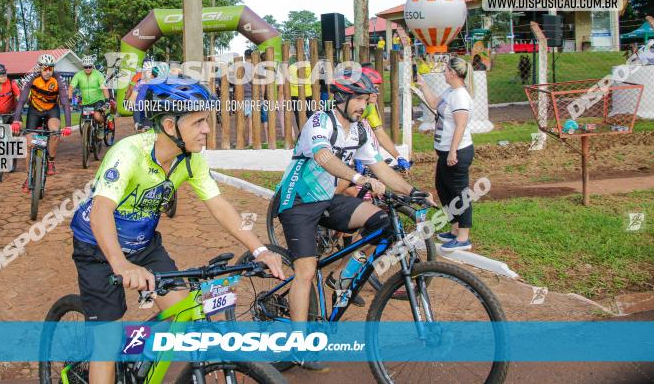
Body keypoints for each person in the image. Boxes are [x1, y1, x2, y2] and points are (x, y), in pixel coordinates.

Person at [69, 76, 285, 384]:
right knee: (106, 341)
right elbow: (101, 211)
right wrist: (120, 263)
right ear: (170, 126)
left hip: (143, 245)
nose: (207, 130)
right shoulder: (129, 152)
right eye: (198, 122)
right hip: (98, 247)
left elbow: (219, 204)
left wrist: (259, 249)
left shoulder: (191, 159)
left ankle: (136, 359)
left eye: (206, 121)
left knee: (183, 312)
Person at [275, 71, 434, 370]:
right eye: (359, 99)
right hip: (297, 202)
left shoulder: (359, 130)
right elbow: (323, 157)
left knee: (384, 224)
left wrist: (413, 191)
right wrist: (359, 178)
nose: (364, 106)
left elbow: (381, 169)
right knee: (306, 271)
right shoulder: (320, 122)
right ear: (343, 98)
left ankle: (342, 277)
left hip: (329, 199)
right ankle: (299, 347)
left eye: (366, 100)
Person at [415, 56, 475, 252]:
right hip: (445, 151)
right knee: (444, 188)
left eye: (446, 70)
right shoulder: (450, 91)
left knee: (460, 192)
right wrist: (423, 85)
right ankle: (455, 228)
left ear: (454, 73)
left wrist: (452, 151)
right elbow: (433, 103)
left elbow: (461, 124)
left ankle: (464, 237)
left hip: (457, 151)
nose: (444, 73)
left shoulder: (460, 96)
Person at [11, 54, 72, 185]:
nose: (48, 72)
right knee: (29, 144)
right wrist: (16, 120)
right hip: (35, 111)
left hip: (51, 110)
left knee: (55, 132)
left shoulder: (58, 79)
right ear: (39, 68)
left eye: (50, 69)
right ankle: (29, 177)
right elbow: (21, 101)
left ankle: (50, 160)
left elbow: (65, 103)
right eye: (45, 69)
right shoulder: (32, 78)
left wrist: (68, 125)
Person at [69, 56, 110, 132]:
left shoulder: (98, 74)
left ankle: (101, 126)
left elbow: (104, 88)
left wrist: (107, 100)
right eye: (86, 67)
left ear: (92, 66)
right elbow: (71, 88)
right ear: (83, 67)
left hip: (98, 100)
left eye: (90, 67)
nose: (88, 69)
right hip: (86, 102)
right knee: (86, 119)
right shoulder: (78, 75)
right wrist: (69, 101)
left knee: (97, 116)